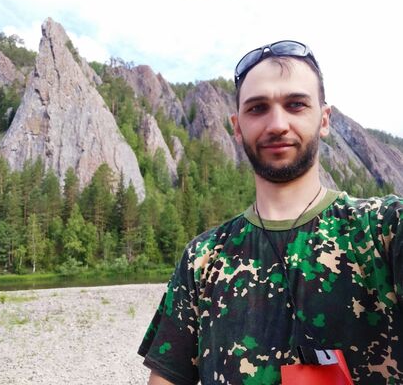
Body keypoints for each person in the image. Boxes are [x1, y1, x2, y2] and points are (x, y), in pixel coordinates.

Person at [138, 40, 403, 384]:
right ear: (237, 127)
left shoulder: (384, 228)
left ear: (324, 119)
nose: (277, 124)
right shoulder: (201, 259)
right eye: (257, 108)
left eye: (296, 105)